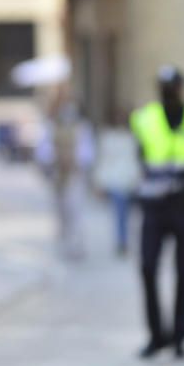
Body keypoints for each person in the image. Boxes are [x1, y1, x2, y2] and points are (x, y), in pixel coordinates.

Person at [129, 66, 184, 359]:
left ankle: (179, 337)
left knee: (183, 272)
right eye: (164, 87)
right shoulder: (144, 119)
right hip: (154, 208)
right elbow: (140, 158)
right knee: (148, 267)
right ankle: (157, 336)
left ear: (183, 88)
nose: (169, 92)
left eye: (173, 87)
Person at [35, 85, 95, 260]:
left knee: (75, 210)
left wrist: (75, 162)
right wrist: (54, 160)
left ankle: (76, 245)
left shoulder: (82, 127)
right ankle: (64, 242)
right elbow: (43, 150)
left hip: (75, 175)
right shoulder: (52, 126)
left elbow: (87, 152)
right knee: (60, 211)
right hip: (57, 174)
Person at [92, 109, 141, 256]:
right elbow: (103, 160)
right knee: (120, 213)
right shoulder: (108, 137)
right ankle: (122, 241)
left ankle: (123, 240)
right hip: (114, 180)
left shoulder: (132, 137)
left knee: (125, 214)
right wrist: (99, 182)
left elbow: (135, 160)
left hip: (128, 180)